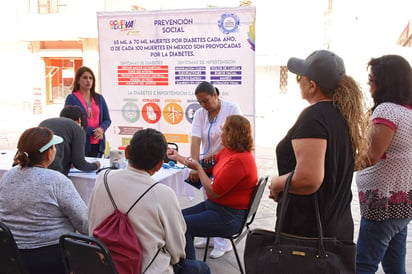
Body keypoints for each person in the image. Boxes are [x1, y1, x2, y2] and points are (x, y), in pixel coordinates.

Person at [268, 50, 369, 242]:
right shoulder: (342, 115)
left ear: (312, 85)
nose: (299, 82)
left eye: (300, 77)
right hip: (334, 225)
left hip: (310, 233)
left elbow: (308, 179)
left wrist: (277, 184)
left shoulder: (314, 117)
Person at [88, 128, 210, 274]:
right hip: (148, 269)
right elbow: (177, 249)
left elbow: (89, 221)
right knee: (201, 268)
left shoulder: (103, 178)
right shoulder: (164, 194)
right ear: (159, 165)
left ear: (127, 152)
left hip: (101, 264)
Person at [167, 115, 258, 260]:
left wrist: (198, 168)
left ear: (232, 134)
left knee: (182, 225)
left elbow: (214, 191)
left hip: (228, 216)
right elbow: (203, 165)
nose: (219, 132)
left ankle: (190, 268)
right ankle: (184, 264)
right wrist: (177, 157)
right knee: (174, 218)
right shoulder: (228, 152)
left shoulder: (240, 160)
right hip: (216, 207)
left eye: (223, 129)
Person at [0, 127, 88, 274]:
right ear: (48, 153)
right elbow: (83, 222)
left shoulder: (9, 175)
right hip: (50, 257)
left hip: (9, 254)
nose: (55, 149)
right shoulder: (56, 180)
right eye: (53, 146)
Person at [356, 55, 412, 274]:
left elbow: (371, 156)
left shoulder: (387, 110)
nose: (369, 83)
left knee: (363, 264)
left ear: (386, 81)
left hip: (382, 204)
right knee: (394, 264)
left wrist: (338, 166)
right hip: (402, 202)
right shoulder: (407, 111)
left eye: (372, 78)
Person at [189, 81, 242, 258]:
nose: (204, 105)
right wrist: (195, 165)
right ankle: (207, 235)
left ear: (215, 95)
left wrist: (214, 158)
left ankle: (222, 242)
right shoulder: (200, 114)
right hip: (207, 161)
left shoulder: (232, 108)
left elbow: (235, 138)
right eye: (200, 102)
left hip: (224, 160)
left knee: (218, 199)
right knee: (207, 197)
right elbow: (195, 139)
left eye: (206, 101)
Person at [39, 105, 101, 176]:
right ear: (79, 120)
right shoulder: (77, 128)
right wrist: (95, 165)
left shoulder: (44, 123)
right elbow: (80, 164)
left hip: (35, 168)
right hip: (55, 172)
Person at [65, 66, 111, 158]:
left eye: (91, 78)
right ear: (78, 81)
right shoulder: (72, 98)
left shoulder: (99, 98)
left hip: (98, 141)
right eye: (85, 78)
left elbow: (107, 120)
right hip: (81, 142)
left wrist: (101, 129)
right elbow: (68, 122)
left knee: (96, 169)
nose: (88, 81)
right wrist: (93, 131)